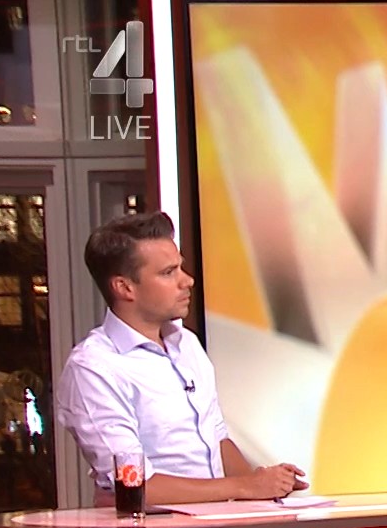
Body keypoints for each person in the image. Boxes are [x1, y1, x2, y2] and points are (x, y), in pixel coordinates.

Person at [55, 211, 307, 504]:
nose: (187, 280)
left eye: (181, 268)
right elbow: (134, 484)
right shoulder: (94, 367)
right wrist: (245, 487)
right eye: (168, 272)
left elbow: (217, 439)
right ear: (124, 287)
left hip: (217, 523)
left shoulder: (186, 344)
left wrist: (264, 491)